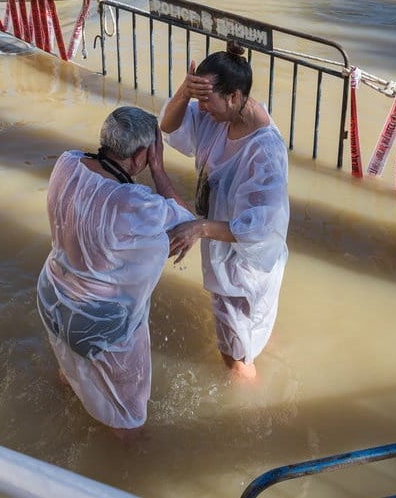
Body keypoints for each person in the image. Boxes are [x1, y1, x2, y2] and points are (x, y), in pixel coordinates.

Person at [36, 106, 192, 438]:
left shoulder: (66, 163)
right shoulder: (132, 201)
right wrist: (160, 170)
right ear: (140, 157)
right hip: (98, 322)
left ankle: (66, 410)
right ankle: (129, 464)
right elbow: (187, 222)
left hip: (52, 297)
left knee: (72, 368)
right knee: (129, 417)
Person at [160, 41, 290, 381]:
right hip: (230, 252)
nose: (201, 109)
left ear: (233, 96)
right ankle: (267, 359)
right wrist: (183, 93)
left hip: (246, 264)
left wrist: (199, 228)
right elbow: (170, 127)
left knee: (234, 360)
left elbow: (259, 227)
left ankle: (247, 415)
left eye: (207, 99)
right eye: (198, 99)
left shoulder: (265, 152)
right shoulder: (219, 117)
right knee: (256, 327)